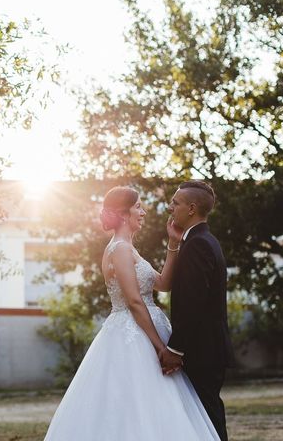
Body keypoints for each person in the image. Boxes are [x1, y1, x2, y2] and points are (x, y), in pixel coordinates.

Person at [43, 185, 220, 441]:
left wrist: (173, 243)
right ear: (124, 214)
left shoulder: (130, 248)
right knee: (135, 404)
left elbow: (163, 283)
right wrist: (161, 347)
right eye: (138, 206)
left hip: (146, 329)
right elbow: (135, 302)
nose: (143, 212)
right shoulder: (119, 249)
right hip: (134, 337)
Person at [160, 180, 234, 441]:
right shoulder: (201, 240)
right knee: (205, 415)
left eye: (175, 203)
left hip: (202, 350)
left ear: (191, 209)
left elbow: (193, 303)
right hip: (207, 347)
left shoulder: (198, 245)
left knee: (207, 416)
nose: (170, 208)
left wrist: (175, 349)